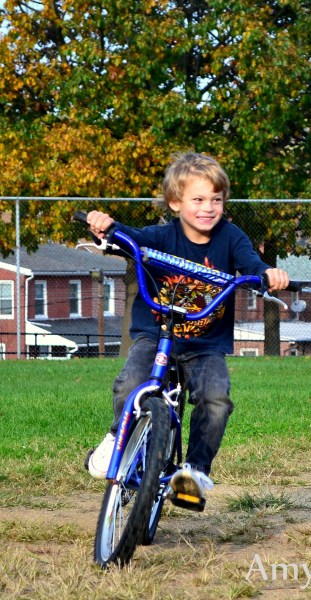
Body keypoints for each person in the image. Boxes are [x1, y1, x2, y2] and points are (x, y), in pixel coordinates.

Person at [86, 152, 289, 508]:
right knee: (132, 383)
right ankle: (118, 438)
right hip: (156, 335)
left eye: (216, 200)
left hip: (204, 344)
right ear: (175, 202)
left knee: (216, 399)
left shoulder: (231, 238)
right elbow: (128, 237)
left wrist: (267, 274)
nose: (208, 208)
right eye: (198, 199)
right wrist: (106, 228)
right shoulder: (161, 236)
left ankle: (193, 473)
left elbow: (251, 264)